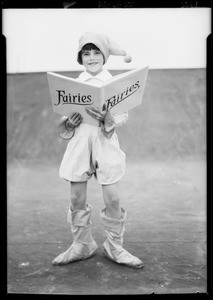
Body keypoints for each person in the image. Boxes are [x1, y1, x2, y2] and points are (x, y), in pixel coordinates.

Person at [52, 32, 143, 269]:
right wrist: (69, 123)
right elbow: (66, 112)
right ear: (80, 58)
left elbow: (123, 114)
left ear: (104, 57)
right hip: (80, 143)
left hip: (104, 142)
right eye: (86, 53)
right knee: (76, 197)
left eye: (96, 53)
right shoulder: (74, 85)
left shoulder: (114, 84)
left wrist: (109, 118)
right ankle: (82, 245)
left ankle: (115, 246)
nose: (91, 57)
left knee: (113, 197)